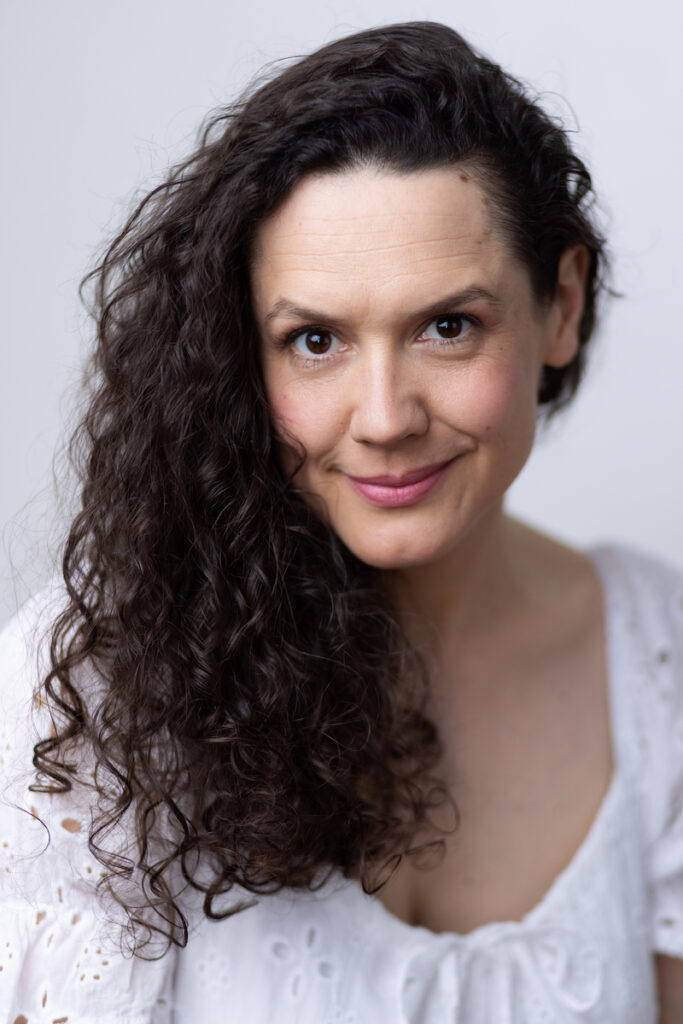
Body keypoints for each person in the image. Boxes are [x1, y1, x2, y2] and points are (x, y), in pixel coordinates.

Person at [1, 19, 682, 1022]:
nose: (383, 418)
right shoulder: (92, 693)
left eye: (446, 326)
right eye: (314, 340)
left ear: (562, 304)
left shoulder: (659, 658)